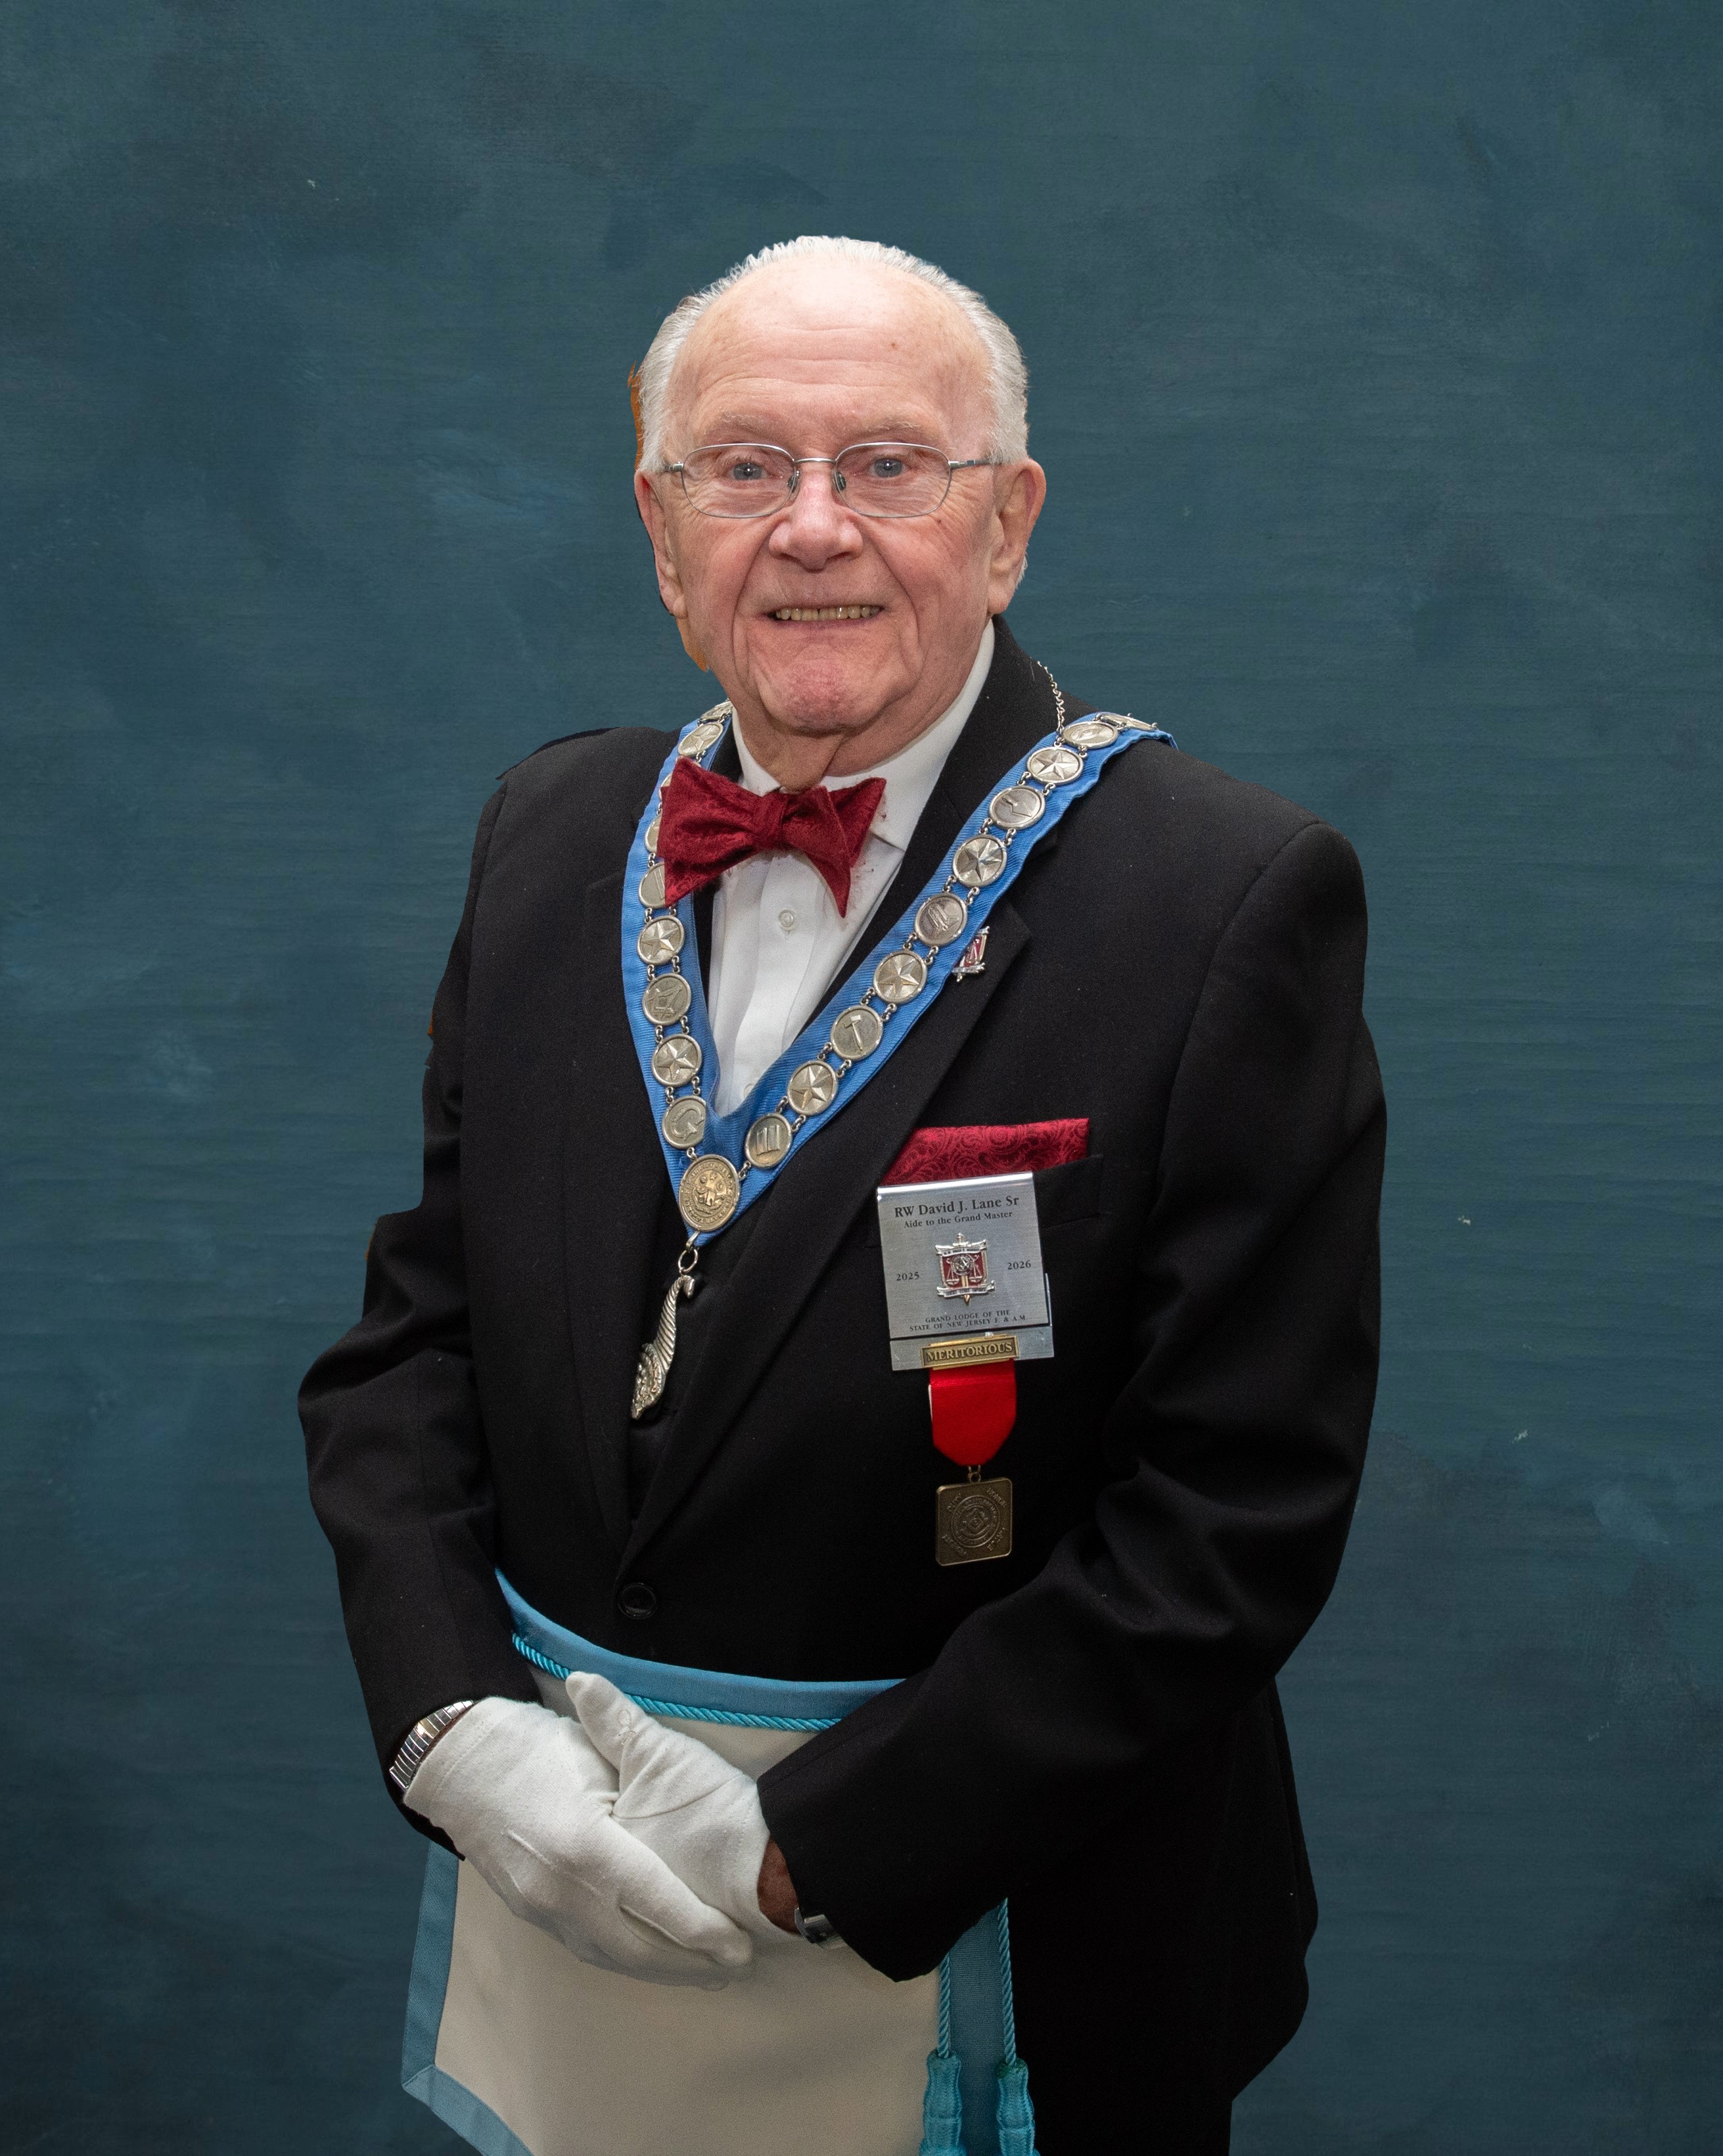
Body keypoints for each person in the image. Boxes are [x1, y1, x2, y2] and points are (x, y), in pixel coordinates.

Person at [301, 235, 1385, 2156]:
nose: (813, 529)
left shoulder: (1226, 900)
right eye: (745, 468)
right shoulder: (550, 834)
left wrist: (815, 1847)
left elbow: (1232, 1520)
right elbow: (413, 1351)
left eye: (889, 465)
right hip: (566, 1894)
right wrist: (453, 1726)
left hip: (1004, 1929)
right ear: (663, 535)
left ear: (1008, 523)